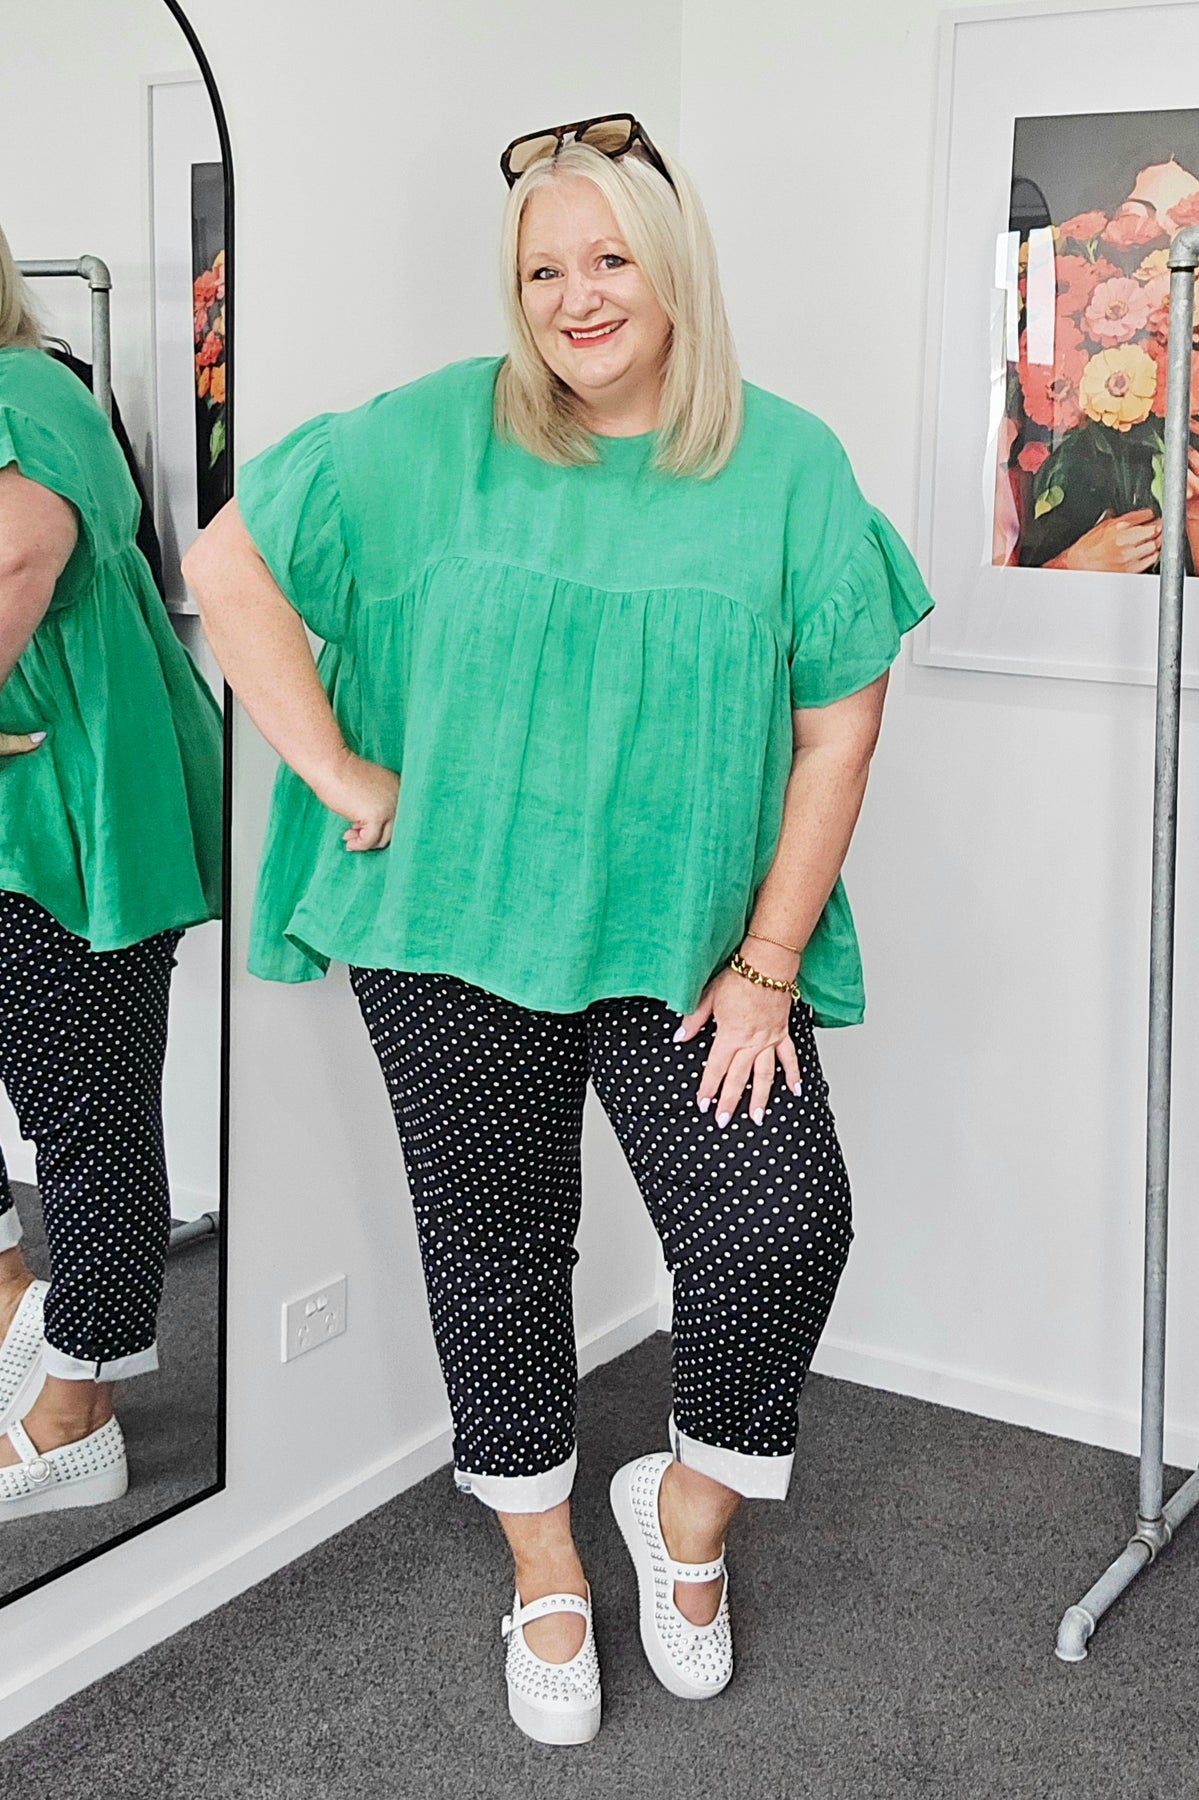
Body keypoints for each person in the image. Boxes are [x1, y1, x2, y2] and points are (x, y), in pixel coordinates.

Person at [183, 115, 935, 1745]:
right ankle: (543, 1566)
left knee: (777, 1224)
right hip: (452, 929)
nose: (576, 299)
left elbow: (839, 733)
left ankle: (684, 1516)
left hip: (692, 946)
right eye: (542, 272)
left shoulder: (786, 466)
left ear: (674, 272)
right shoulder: (434, 435)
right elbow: (226, 564)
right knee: (497, 1247)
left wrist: (770, 963)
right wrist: (337, 769)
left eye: (608, 262)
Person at [0, 224, 223, 1518]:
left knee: (86, 1115)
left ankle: (78, 1416)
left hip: (78, 815)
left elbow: (14, 570)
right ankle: (20, 1309)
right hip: (24, 813)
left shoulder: (27, 394)